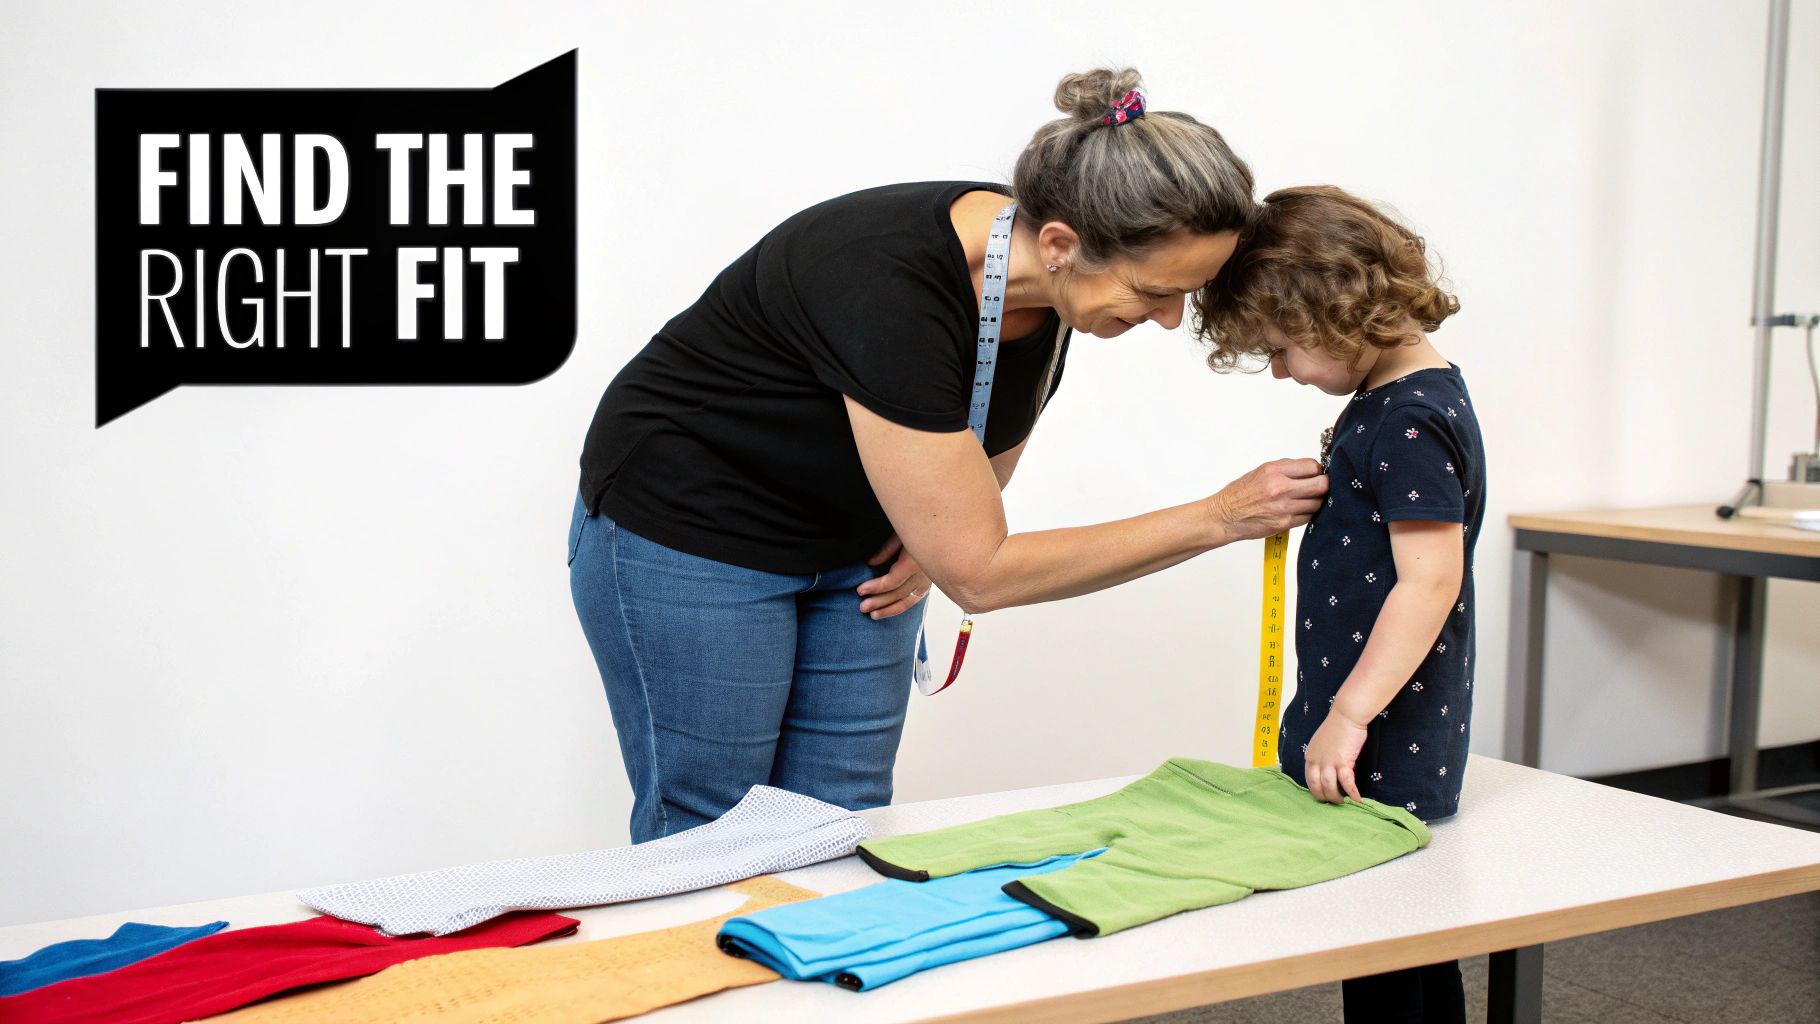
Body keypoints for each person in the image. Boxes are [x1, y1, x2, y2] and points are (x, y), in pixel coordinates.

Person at [570, 67, 1328, 845]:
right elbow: (982, 570)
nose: (1170, 319)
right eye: (1155, 291)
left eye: (1187, 292)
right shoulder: (883, 277)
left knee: (844, 818)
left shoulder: (1047, 287)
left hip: (860, 542)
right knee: (713, 830)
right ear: (1063, 244)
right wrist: (1221, 517)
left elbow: (976, 483)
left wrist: (936, 547)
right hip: (693, 528)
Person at [1195, 184, 1485, 1024]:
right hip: (1364, 710)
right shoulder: (1390, 406)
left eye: (1282, 349)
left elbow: (1431, 579)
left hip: (1385, 724)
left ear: (1333, 313)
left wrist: (1351, 714)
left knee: (1392, 930)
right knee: (1387, 932)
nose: (1281, 370)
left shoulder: (1409, 419)